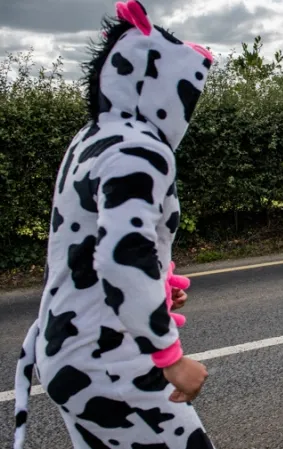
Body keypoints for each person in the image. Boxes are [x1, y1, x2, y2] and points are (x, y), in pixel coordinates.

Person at [13, 1, 215, 447]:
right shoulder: (140, 147)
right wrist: (169, 356)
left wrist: (157, 286)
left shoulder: (92, 138)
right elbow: (123, 255)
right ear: (159, 84)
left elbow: (89, 239)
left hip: (65, 346)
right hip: (107, 358)